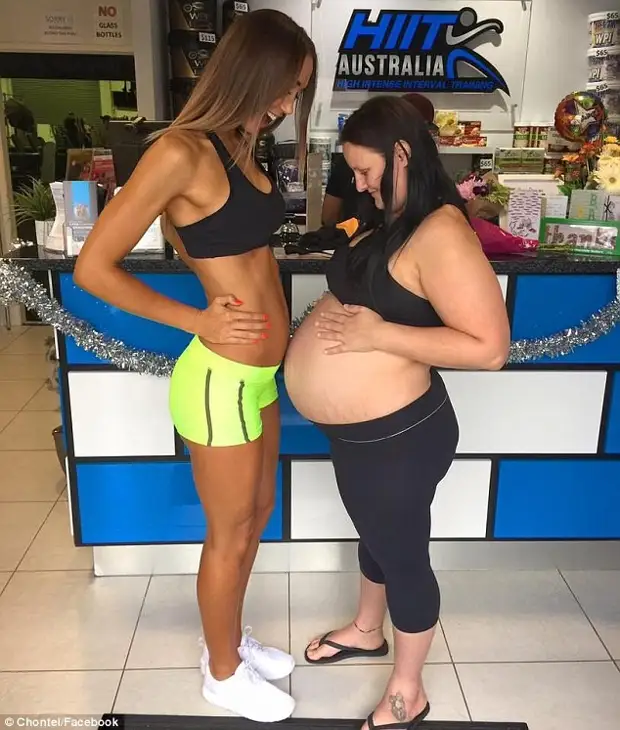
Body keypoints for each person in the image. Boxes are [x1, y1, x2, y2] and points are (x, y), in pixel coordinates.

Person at [73, 9, 316, 722]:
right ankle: (222, 673)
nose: (288, 104)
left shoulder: (241, 145)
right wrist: (196, 319)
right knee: (229, 532)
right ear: (251, 72)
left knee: (257, 516)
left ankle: (229, 641)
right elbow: (93, 267)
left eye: (297, 91)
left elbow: (236, 249)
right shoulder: (180, 152)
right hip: (219, 379)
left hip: (260, 376)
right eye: (285, 87)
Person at [284, 96, 509, 730]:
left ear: (402, 153)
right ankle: (366, 629)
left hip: (400, 435)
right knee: (377, 531)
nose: (357, 184)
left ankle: (410, 690)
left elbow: (490, 348)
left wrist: (379, 336)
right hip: (363, 434)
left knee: (402, 553)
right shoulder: (394, 216)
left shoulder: (441, 232)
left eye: (365, 170)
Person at [321, 93, 438, 226]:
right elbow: (328, 216)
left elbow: (328, 215)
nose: (360, 186)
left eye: (365, 172)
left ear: (402, 154)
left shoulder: (440, 229)